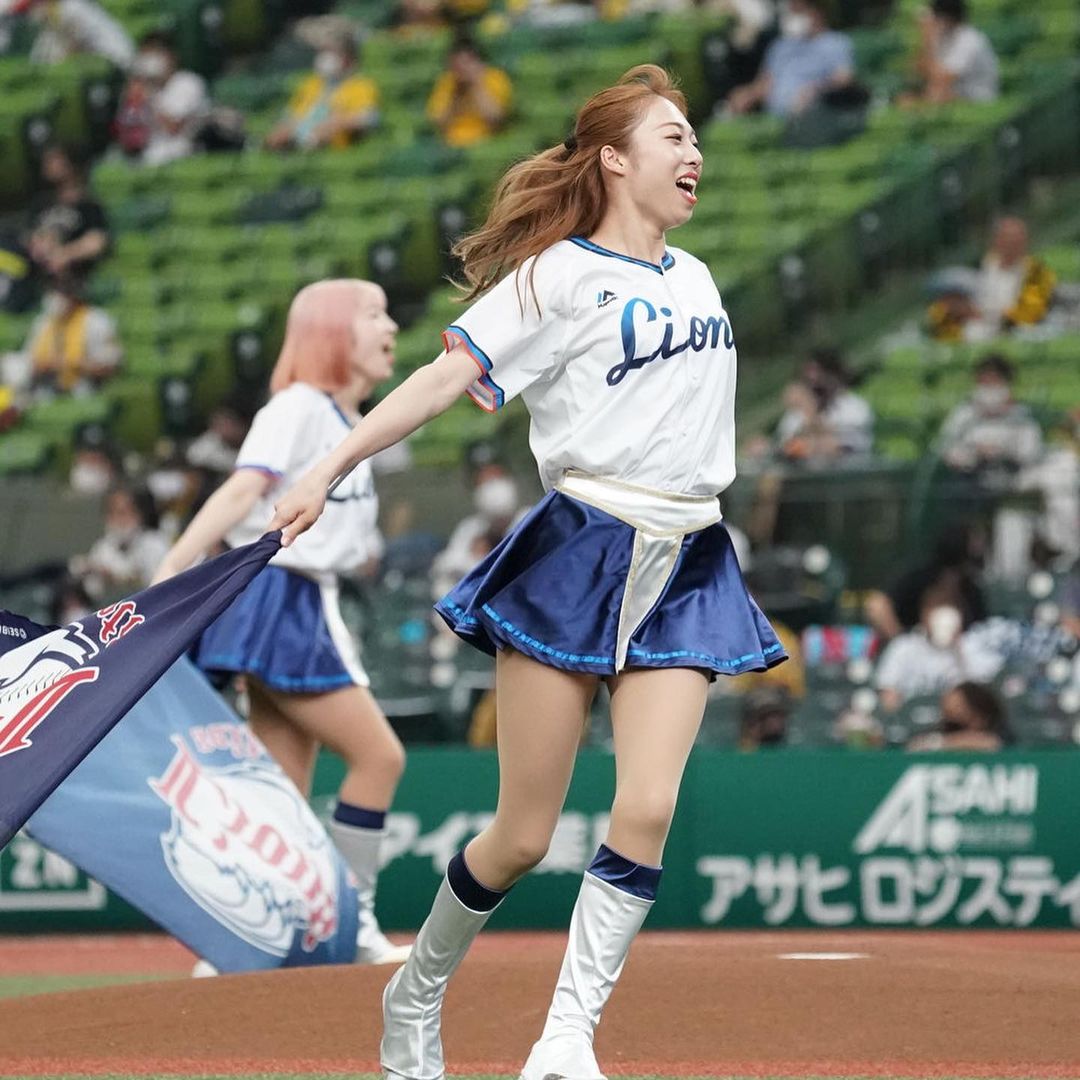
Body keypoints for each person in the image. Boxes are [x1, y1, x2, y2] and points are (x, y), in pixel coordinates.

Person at [269, 65, 784, 1080]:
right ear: (614, 159)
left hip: (688, 557)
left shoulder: (696, 276)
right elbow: (443, 377)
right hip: (581, 551)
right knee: (520, 835)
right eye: (673, 137)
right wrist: (328, 466)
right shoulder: (556, 276)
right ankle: (415, 992)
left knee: (647, 807)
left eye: (694, 139)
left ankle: (564, 1039)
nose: (694, 153)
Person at [152, 280, 410, 968]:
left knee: (281, 788)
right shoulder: (298, 405)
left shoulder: (350, 419)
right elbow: (244, 486)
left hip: (299, 596)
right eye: (373, 315)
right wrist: (173, 565)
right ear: (331, 333)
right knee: (380, 758)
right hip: (282, 595)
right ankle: (353, 924)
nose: (390, 327)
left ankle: (241, 940)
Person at [874, 585, 1001, 711]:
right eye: (936, 615)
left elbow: (983, 693)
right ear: (923, 615)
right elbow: (888, 696)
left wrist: (958, 649)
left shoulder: (973, 645)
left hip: (957, 717)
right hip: (915, 714)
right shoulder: (903, 647)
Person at [723, 0, 854, 119]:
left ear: (816, 12)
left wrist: (815, 91)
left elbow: (844, 79)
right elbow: (765, 83)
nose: (794, 16)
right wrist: (748, 93)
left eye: (799, 11)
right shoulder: (781, 46)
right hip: (775, 118)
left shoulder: (835, 43)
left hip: (815, 115)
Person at [2, 273, 121, 401]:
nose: (54, 300)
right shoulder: (44, 321)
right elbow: (30, 358)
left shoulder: (96, 321)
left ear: (73, 297)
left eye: (60, 295)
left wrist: (69, 363)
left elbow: (109, 367)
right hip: (43, 387)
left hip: (81, 388)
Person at [264, 23, 379, 152]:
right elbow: (290, 115)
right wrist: (283, 130)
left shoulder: (360, 85)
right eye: (323, 51)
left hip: (331, 146)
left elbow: (369, 118)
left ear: (348, 57)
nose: (325, 57)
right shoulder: (311, 84)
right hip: (296, 143)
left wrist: (336, 123)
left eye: (331, 52)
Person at [116, 31, 208, 166]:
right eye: (147, 56)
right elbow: (128, 134)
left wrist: (149, 97)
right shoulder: (144, 87)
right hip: (148, 158)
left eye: (156, 54)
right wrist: (132, 100)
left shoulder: (188, 82)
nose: (151, 62)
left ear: (172, 56)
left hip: (185, 157)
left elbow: (173, 128)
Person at [69, 484, 171, 601]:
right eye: (112, 512)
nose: (118, 519)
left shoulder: (156, 544)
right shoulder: (103, 547)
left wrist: (118, 578)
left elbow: (161, 585)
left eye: (123, 512)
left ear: (139, 514)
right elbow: (92, 592)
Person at [26, 145, 111, 284]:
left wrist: (65, 254)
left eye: (54, 160)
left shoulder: (87, 205)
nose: (48, 165)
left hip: (79, 280)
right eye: (46, 161)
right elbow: (32, 238)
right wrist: (41, 245)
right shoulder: (40, 204)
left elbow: (97, 242)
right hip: (44, 280)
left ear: (70, 164)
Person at [427, 36, 513, 148]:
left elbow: (495, 119)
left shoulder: (495, 78)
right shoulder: (448, 81)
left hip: (486, 143)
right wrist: (456, 95)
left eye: (465, 64)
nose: (461, 70)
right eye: (456, 67)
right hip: (451, 144)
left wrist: (476, 85)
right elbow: (439, 123)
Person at [908, 0, 998, 106]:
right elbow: (916, 74)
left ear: (946, 18)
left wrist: (927, 37)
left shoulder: (969, 39)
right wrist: (926, 40)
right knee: (908, 98)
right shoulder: (944, 36)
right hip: (950, 93)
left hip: (975, 97)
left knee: (930, 97)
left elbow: (942, 79)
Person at [12, 0, 134, 68]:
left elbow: (72, 48)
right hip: (102, 63)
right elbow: (40, 59)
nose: (31, 14)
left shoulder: (71, 8)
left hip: (117, 60)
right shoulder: (54, 19)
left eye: (32, 7)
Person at [907, 680, 1011, 751]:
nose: (948, 708)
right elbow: (916, 746)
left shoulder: (999, 729)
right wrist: (942, 742)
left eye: (958, 705)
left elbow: (991, 743)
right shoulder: (946, 727)